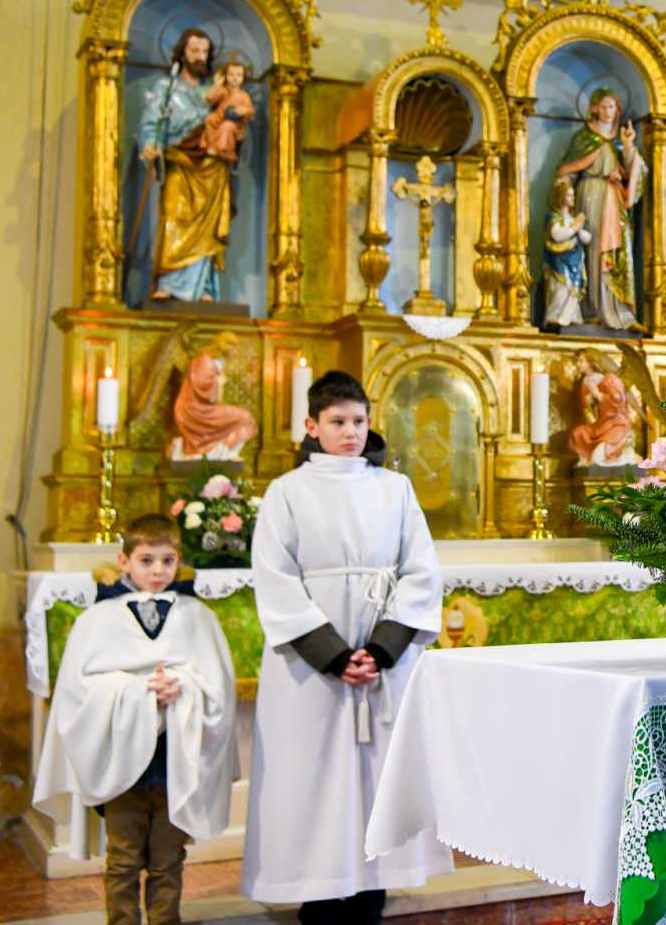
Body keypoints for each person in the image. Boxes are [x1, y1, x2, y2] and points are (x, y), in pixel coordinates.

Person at [241, 370, 450, 922]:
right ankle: (321, 896)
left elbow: (421, 571)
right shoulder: (287, 493)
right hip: (312, 672)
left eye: (359, 421)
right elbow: (276, 578)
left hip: (385, 665)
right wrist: (336, 656)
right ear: (312, 426)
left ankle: (373, 890)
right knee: (315, 778)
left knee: (381, 778)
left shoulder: (394, 489)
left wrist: (380, 651)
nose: (351, 432)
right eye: (337, 422)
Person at [33, 513, 238, 925]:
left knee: (168, 859)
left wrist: (183, 686)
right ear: (124, 561)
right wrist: (135, 691)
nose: (158, 571)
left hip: (173, 762)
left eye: (167, 560)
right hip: (120, 764)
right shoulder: (97, 620)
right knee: (123, 861)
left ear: (178, 561)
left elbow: (219, 685)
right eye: (146, 560)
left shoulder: (198, 617)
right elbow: (77, 690)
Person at [135, 27, 232, 303]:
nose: (200, 56)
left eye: (205, 51)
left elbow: (230, 124)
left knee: (208, 229)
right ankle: (169, 281)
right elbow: (152, 123)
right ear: (182, 53)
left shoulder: (214, 92)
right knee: (174, 215)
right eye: (194, 50)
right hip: (179, 160)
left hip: (211, 167)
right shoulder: (167, 88)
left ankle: (204, 288)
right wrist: (150, 144)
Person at [553, 88, 646, 331]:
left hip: (614, 199)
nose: (608, 112)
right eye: (603, 107)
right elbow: (567, 172)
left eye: (612, 107)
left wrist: (628, 148)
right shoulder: (584, 138)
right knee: (591, 251)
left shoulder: (621, 140)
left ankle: (620, 313)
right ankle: (590, 309)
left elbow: (636, 175)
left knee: (617, 252)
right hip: (590, 195)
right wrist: (563, 195)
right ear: (594, 108)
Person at [542, 177, 591, 329]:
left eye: (573, 195)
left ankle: (571, 317)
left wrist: (579, 229)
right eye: (569, 195)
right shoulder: (554, 217)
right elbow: (557, 235)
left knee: (573, 290)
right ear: (561, 196)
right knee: (561, 289)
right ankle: (554, 316)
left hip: (575, 261)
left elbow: (587, 238)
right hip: (559, 262)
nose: (572, 198)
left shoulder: (572, 219)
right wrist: (574, 229)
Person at [200, 58, 255, 164]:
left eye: (239, 75)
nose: (235, 78)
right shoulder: (223, 91)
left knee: (227, 126)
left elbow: (250, 110)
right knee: (209, 118)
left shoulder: (244, 95)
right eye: (231, 75)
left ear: (243, 78)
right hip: (219, 119)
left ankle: (226, 150)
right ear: (225, 76)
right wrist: (217, 84)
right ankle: (213, 146)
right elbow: (210, 98)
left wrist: (241, 110)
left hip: (235, 126)